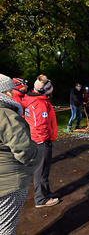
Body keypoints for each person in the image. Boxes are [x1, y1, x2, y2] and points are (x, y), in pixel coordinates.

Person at [0, 74, 39, 234]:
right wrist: (35, 160)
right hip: (9, 181)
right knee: (6, 227)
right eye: (10, 90)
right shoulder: (5, 115)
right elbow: (24, 148)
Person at [22, 74, 59, 208]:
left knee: (41, 170)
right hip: (40, 142)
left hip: (34, 140)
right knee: (41, 171)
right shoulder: (40, 103)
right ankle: (41, 199)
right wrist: (45, 141)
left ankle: (44, 193)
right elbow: (40, 125)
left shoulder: (31, 99)